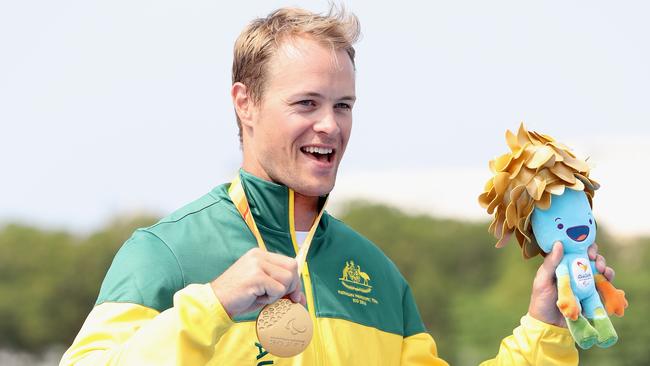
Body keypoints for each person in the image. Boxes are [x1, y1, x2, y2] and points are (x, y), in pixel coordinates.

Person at [60, 6, 617, 365]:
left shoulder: (377, 274)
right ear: (245, 103)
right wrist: (211, 306)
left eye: (343, 105)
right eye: (306, 103)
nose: (331, 124)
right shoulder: (165, 254)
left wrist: (544, 325)